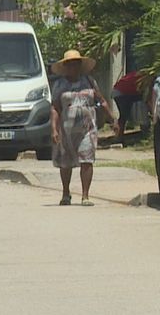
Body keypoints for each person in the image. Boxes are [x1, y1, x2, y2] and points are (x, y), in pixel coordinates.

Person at [50, 49, 116, 206]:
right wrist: (54, 128)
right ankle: (66, 193)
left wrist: (112, 120)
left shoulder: (89, 81)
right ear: (65, 67)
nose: (73, 67)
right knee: (65, 162)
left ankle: (85, 196)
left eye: (76, 64)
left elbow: (102, 101)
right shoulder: (60, 85)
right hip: (66, 130)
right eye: (70, 64)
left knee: (87, 160)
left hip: (87, 128)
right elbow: (55, 108)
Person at [113, 70, 142, 146]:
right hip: (121, 93)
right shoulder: (143, 78)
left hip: (119, 91)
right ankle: (119, 137)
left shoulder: (137, 74)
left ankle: (119, 136)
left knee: (123, 116)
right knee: (123, 116)